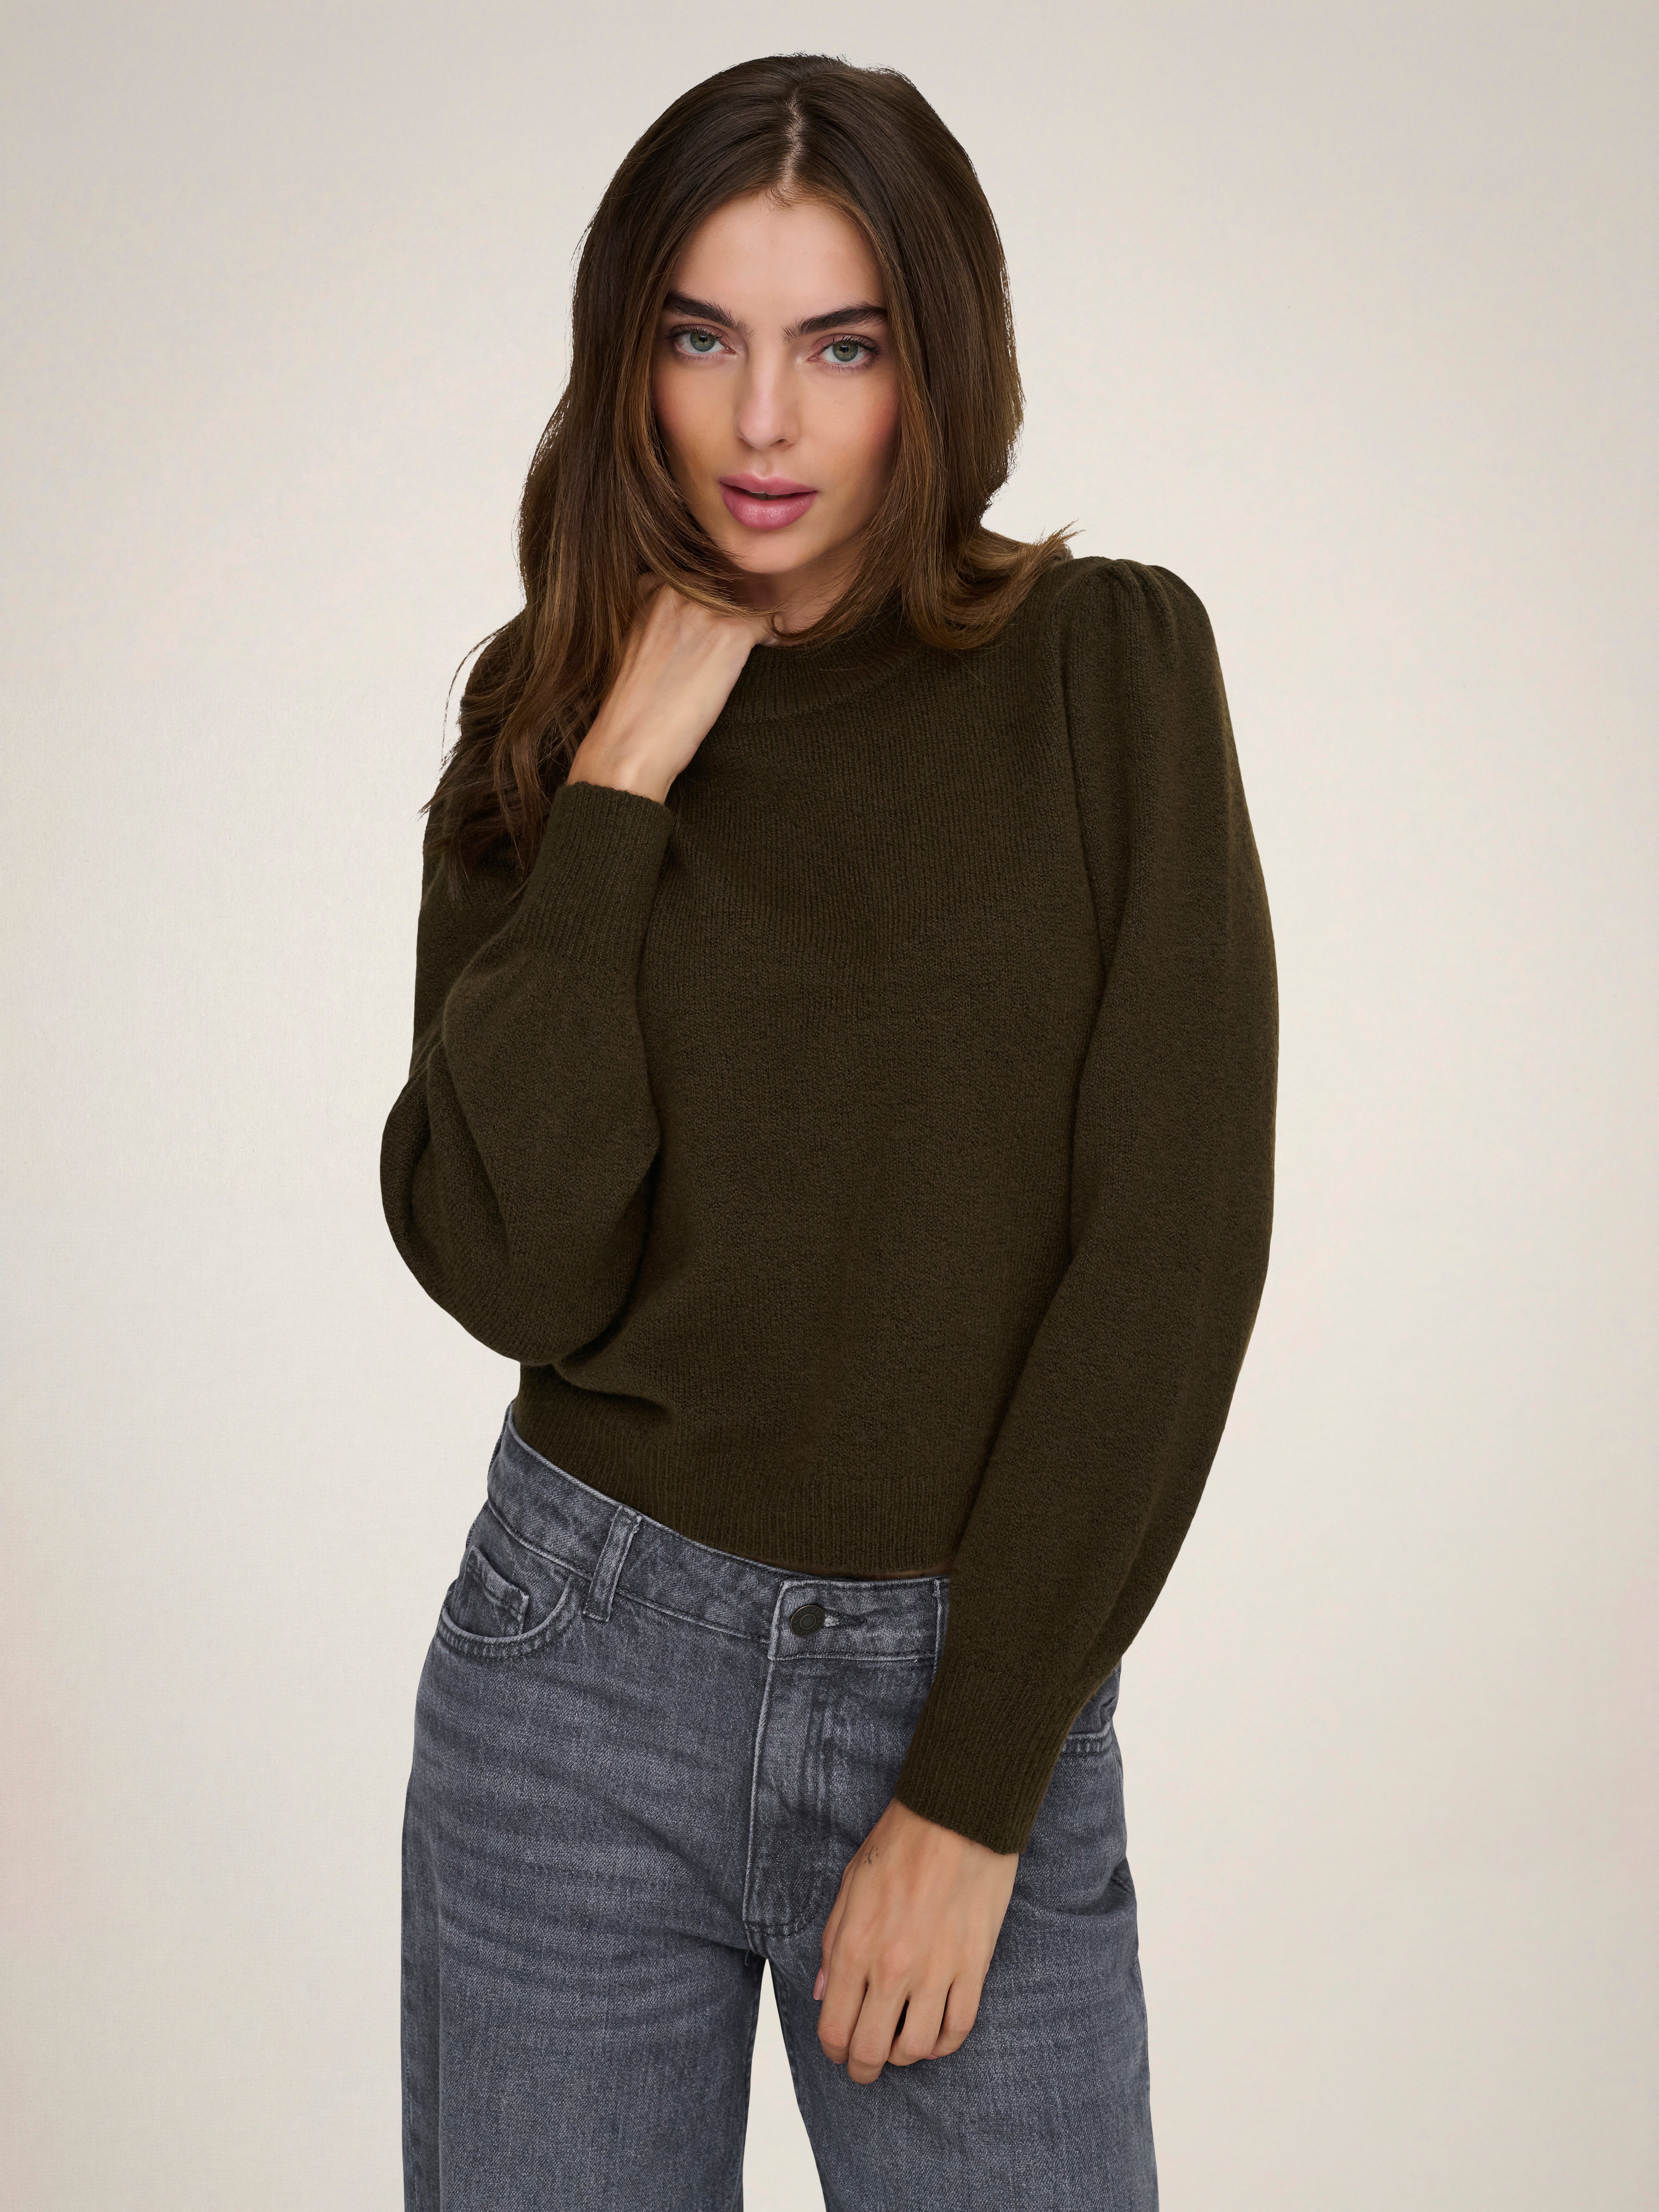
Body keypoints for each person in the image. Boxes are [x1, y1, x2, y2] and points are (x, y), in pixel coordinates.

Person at [381, 51, 1276, 2212]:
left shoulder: (1108, 673)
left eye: (840, 346)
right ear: (630, 359)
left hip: (974, 1675)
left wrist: (972, 1787)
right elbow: (520, 1263)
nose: (763, 421)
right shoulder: (548, 707)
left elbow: (1170, 1250)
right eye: (704, 339)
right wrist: (617, 792)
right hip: (576, 1676)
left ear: (935, 361)